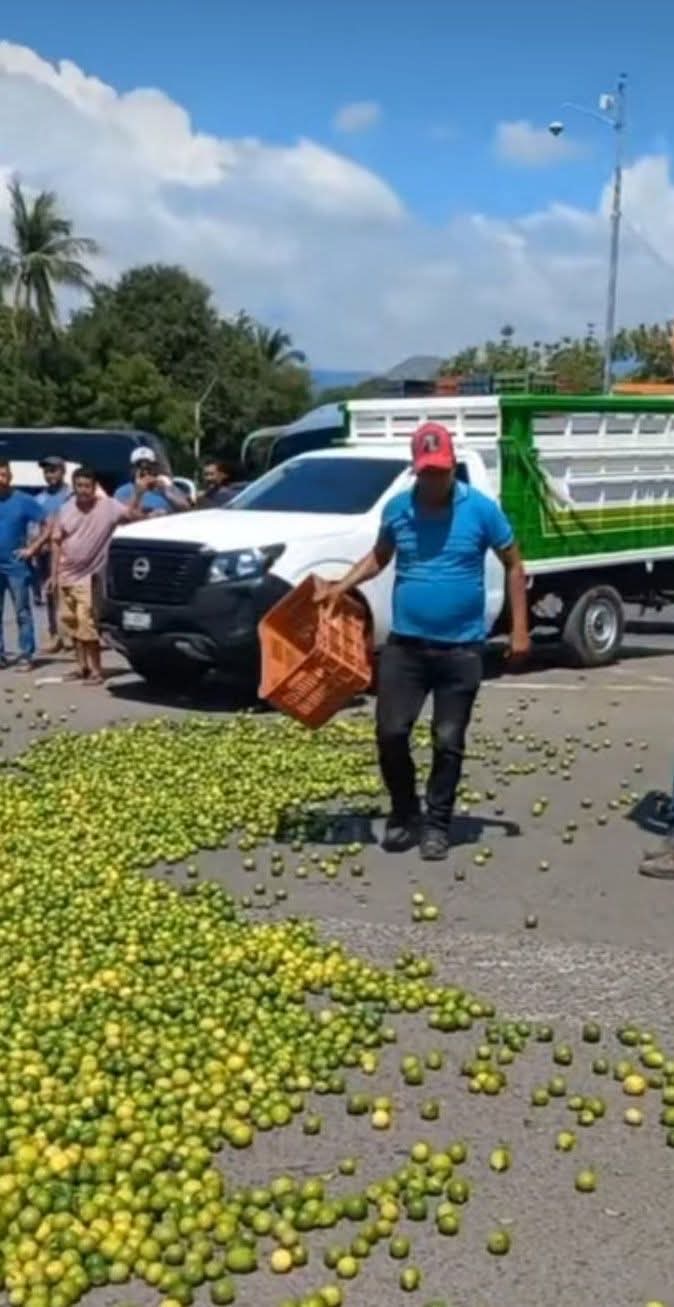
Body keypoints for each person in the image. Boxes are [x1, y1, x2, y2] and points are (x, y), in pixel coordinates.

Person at [316, 421, 530, 862]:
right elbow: (380, 556)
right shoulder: (397, 509)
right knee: (391, 732)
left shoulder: (482, 510)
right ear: (417, 470)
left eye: (442, 471)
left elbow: (513, 564)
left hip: (462, 648)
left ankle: (437, 824)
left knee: (447, 738)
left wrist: (520, 629)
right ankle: (404, 813)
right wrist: (341, 586)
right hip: (406, 646)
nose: (435, 480)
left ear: (452, 467)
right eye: (427, 472)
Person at [50, 465, 150, 685]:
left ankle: (96, 670)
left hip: (89, 577)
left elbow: (131, 515)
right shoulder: (65, 509)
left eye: (87, 486)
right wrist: (53, 575)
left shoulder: (108, 507)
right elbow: (56, 541)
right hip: (65, 574)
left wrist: (139, 492)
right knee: (72, 623)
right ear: (73, 487)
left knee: (87, 623)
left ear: (95, 487)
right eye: (79, 486)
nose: (83, 490)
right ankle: (82, 667)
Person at [0, 458, 46, 671]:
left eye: (3, 475)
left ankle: (27, 654)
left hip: (16, 565)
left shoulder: (24, 500)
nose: (1, 479)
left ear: (10, 476)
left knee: (22, 612)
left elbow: (47, 524)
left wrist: (33, 548)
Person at [34, 456, 71, 652]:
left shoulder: (71, 495)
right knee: (49, 593)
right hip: (46, 553)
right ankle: (54, 633)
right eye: (47, 471)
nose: (50, 475)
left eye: (53, 470)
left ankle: (69, 634)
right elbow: (35, 526)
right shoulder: (39, 499)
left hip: (69, 552)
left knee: (68, 593)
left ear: (63, 471)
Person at [114, 447, 189, 516]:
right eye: (139, 467)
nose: (145, 472)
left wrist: (168, 490)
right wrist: (138, 494)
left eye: (148, 467)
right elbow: (123, 516)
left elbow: (188, 508)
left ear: (155, 468)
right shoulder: (122, 492)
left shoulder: (167, 487)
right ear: (132, 469)